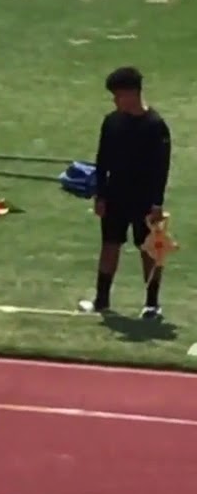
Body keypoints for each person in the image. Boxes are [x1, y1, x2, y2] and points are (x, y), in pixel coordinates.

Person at [81, 66, 171, 318]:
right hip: (115, 194)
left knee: (148, 249)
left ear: (132, 94)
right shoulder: (112, 122)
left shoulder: (155, 126)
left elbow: (161, 167)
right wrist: (100, 194)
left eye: (118, 95)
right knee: (109, 245)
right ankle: (101, 300)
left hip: (143, 199)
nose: (115, 100)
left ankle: (152, 304)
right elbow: (103, 160)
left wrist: (157, 203)